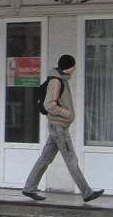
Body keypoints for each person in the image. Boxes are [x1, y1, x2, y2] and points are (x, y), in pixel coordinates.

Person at [22, 55, 104, 203]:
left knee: (45, 158)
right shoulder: (56, 81)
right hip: (59, 127)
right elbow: (49, 104)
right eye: (74, 65)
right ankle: (87, 192)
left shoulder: (60, 79)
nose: (75, 68)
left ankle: (29, 188)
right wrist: (67, 113)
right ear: (69, 66)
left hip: (57, 126)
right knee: (71, 159)